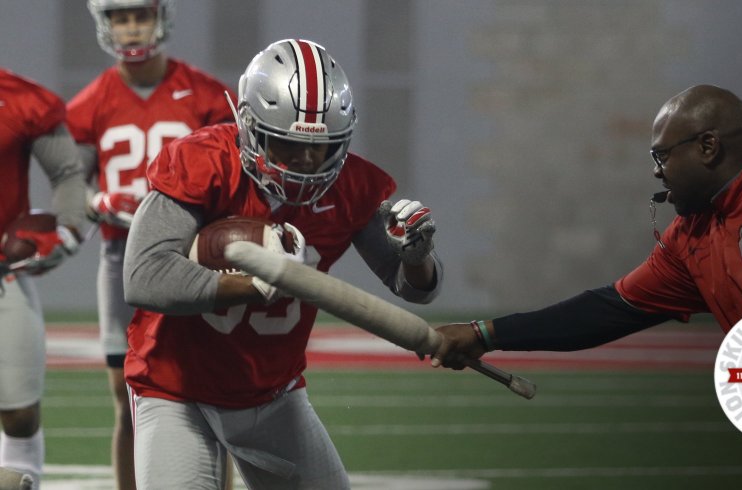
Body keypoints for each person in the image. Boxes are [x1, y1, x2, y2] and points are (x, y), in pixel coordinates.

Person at [121, 38, 442, 489]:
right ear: (250, 127)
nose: (307, 163)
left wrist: (417, 258)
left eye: (322, 148)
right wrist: (254, 284)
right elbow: (144, 277)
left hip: (272, 393)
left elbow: (415, 289)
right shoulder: (203, 163)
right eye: (289, 146)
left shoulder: (352, 185)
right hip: (175, 386)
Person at [431, 84, 742, 367]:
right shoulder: (691, 237)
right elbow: (606, 311)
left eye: (662, 156)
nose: (657, 173)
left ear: (707, 146)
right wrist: (482, 335)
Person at [65, 2, 236, 488]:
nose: (132, 25)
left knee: (208, 394)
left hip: (190, 257)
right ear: (105, 23)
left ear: (161, 16)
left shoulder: (205, 95)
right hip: (122, 258)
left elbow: (231, 173)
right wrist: (97, 198)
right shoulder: (89, 103)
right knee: (126, 397)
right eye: (120, 17)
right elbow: (69, 184)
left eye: (139, 13)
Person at [0, 68, 87, 487]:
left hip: (2, 273)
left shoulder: (19, 98)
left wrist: (68, 230)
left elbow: (67, 172)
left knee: (19, 411)